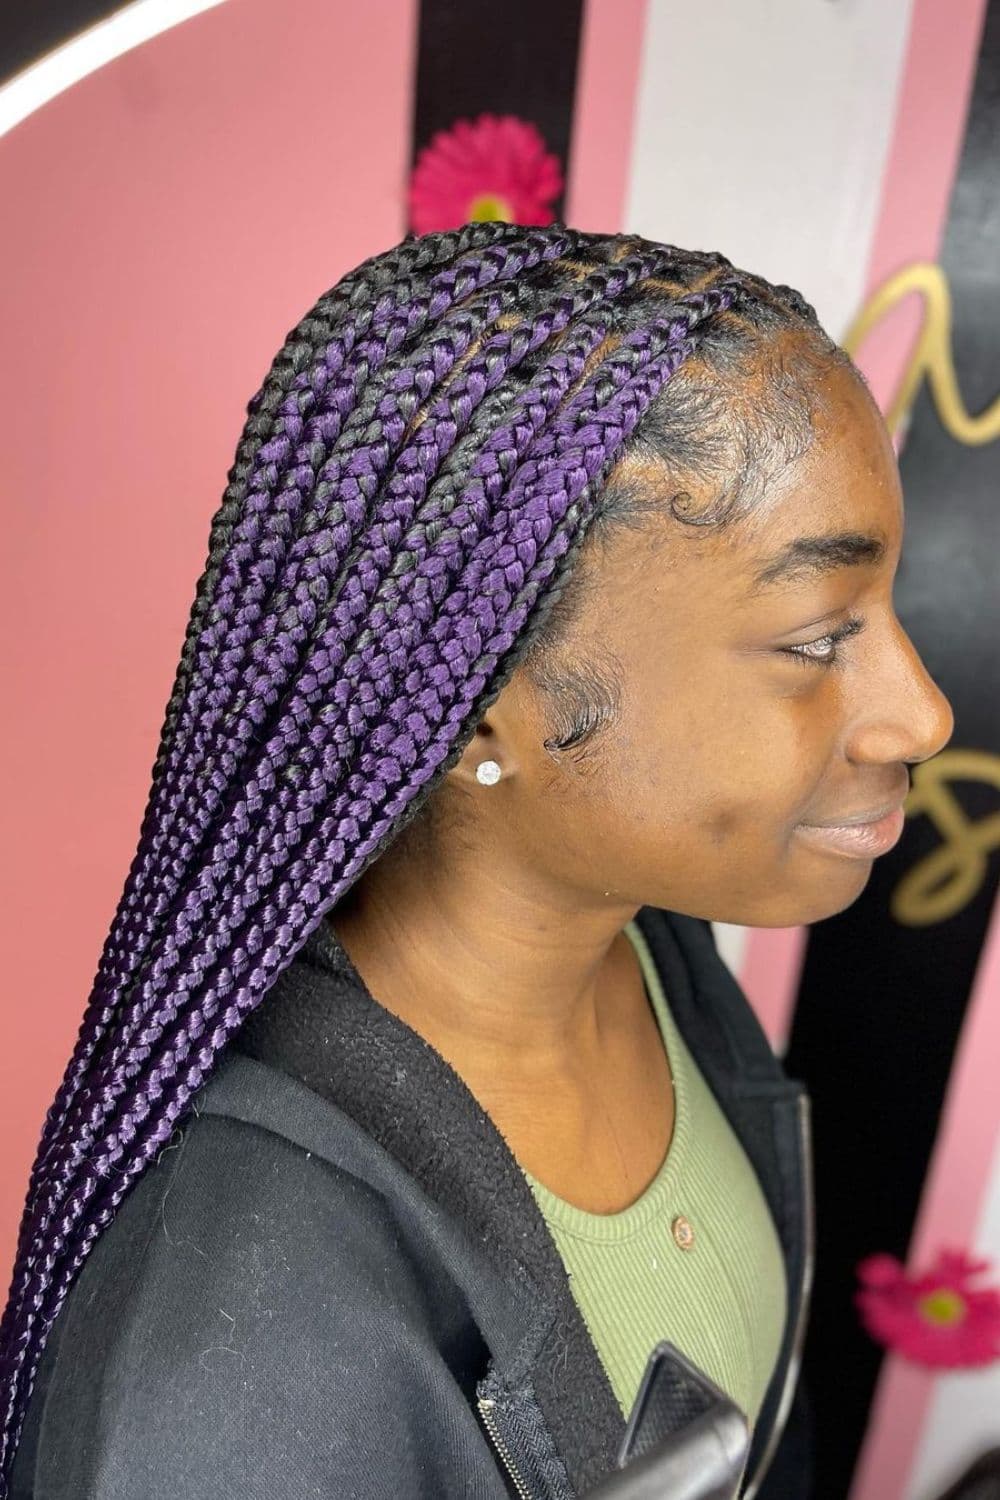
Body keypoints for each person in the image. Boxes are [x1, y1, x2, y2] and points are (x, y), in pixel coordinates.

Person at [1, 223, 953, 1500]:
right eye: (816, 636)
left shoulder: (645, 940)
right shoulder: (231, 1370)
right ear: (482, 705)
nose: (922, 715)